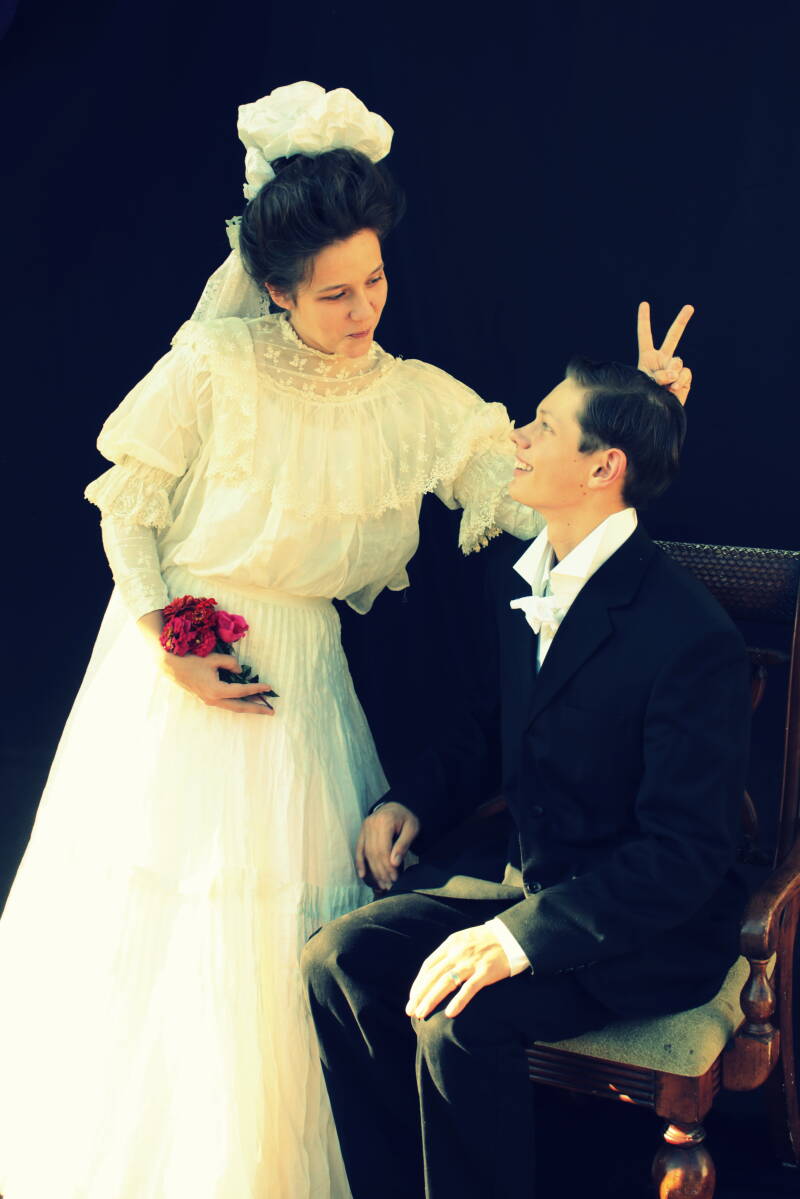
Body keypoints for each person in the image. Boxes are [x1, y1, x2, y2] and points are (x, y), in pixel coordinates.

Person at [0, 81, 689, 1198]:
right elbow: (127, 507)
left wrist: (637, 413)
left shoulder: (409, 397)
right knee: (172, 933)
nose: (362, 307)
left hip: (304, 681)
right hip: (189, 665)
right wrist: (181, 638)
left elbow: (535, 489)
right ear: (276, 289)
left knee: (298, 943)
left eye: (374, 280)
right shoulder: (212, 365)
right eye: (333, 293)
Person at [302, 357, 751, 1199]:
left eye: (544, 425)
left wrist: (515, 940)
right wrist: (412, 799)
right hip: (531, 884)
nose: (518, 436)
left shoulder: (692, 637)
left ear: (602, 467)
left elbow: (684, 855)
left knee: (461, 1017)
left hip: (650, 930)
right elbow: (491, 725)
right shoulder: (521, 577)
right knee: (339, 960)